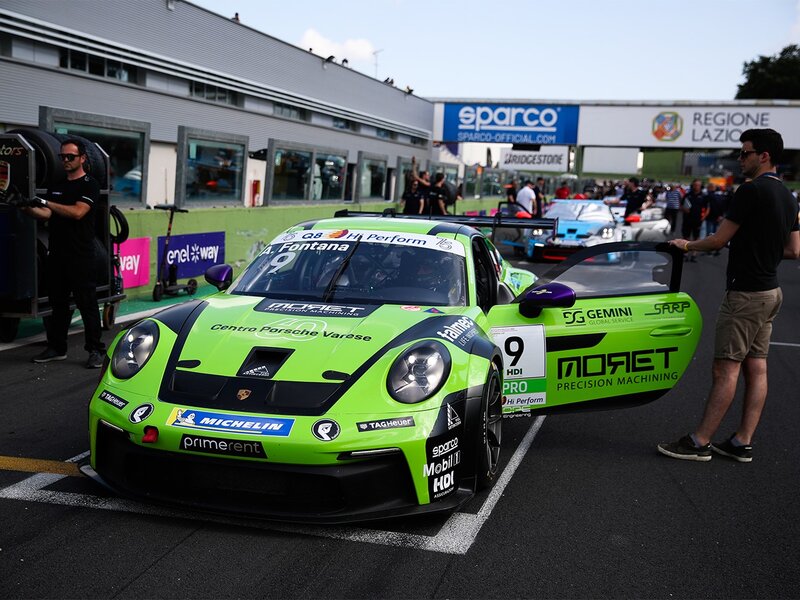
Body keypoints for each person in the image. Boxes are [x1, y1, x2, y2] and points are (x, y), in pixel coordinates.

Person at [658, 128, 800, 462]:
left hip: (746, 293)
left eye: (745, 153)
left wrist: (686, 244)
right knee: (757, 367)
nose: (740, 159)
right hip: (770, 291)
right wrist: (763, 250)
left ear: (763, 155)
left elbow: (718, 240)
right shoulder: (789, 196)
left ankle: (699, 442)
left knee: (726, 369)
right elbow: (794, 250)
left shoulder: (751, 192)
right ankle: (741, 440)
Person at [21, 139, 106, 368]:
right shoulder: (57, 184)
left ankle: (96, 350)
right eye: (62, 157)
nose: (65, 160)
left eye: (70, 156)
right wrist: (24, 206)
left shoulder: (90, 185)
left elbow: (78, 212)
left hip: (81, 256)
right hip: (57, 254)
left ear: (82, 159)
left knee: (87, 305)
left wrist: (45, 201)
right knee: (57, 306)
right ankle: (57, 348)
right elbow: (47, 214)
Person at [680, 179, 708, 262]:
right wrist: (684, 209)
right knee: (686, 237)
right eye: (695, 185)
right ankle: (685, 253)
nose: (696, 187)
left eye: (698, 185)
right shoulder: (687, 195)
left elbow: (707, 208)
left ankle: (694, 254)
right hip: (687, 220)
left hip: (698, 220)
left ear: (701, 186)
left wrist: (703, 218)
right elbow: (681, 205)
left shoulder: (703, 196)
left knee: (696, 238)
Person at [703, 183, 728, 254]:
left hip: (710, 217)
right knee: (715, 233)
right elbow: (722, 206)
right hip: (717, 217)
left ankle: (708, 249)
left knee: (709, 234)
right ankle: (715, 248)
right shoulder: (720, 196)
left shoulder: (707, 196)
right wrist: (721, 215)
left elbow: (706, 206)